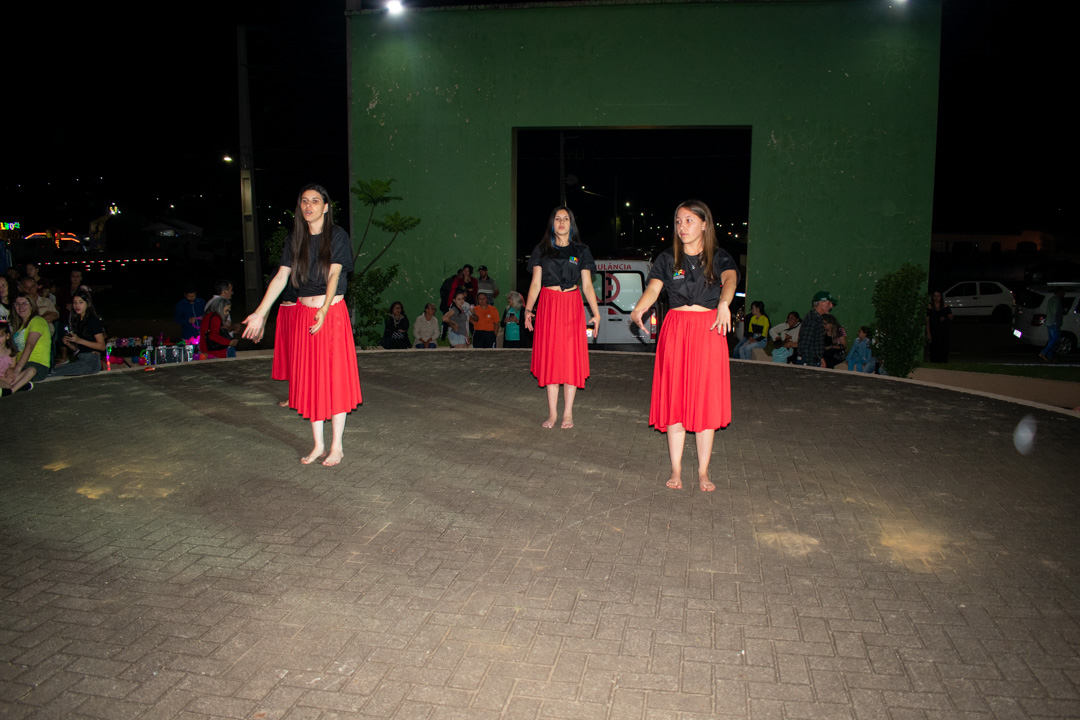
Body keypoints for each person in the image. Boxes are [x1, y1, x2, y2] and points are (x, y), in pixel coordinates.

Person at [242, 183, 363, 467]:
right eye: (304, 201)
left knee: (334, 379)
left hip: (330, 314)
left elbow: (335, 274)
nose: (308, 206)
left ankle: (337, 446)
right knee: (311, 379)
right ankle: (319, 444)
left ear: (325, 207)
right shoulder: (294, 239)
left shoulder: (337, 236)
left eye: (315, 201)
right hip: (303, 316)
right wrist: (261, 312)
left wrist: (323, 308)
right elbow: (282, 277)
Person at [630, 199, 739, 492]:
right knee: (675, 400)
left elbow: (730, 281)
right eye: (678, 221)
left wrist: (725, 304)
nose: (682, 227)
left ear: (705, 223)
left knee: (704, 401)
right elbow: (654, 288)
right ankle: (676, 468)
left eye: (689, 220)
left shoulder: (719, 257)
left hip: (709, 331)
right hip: (676, 332)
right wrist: (638, 309)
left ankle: (703, 471)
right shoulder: (667, 258)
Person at [524, 206, 601, 429]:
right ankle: (553, 414)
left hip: (571, 304)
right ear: (552, 223)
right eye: (557, 219)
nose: (561, 222)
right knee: (551, 358)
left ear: (571, 224)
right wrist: (528, 310)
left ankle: (568, 414)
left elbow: (587, 285)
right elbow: (536, 283)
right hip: (549, 304)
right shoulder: (542, 249)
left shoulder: (581, 250)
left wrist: (596, 314)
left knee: (570, 359)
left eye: (566, 219)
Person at [50, 289, 106, 376]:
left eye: (80, 302)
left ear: (88, 303)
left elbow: (102, 346)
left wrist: (79, 340)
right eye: (75, 302)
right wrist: (69, 344)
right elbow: (81, 350)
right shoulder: (79, 321)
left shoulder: (92, 320)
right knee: (53, 371)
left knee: (53, 373)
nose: (77, 305)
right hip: (82, 359)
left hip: (91, 361)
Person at [4, 291, 52, 394]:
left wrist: (17, 369)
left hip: (36, 365)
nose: (20, 306)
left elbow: (29, 346)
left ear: (31, 305)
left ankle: (9, 389)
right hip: (21, 364)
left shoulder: (37, 321)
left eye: (24, 303)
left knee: (9, 379)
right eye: (17, 304)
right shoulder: (20, 326)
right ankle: (20, 386)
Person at [796, 290, 836, 367]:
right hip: (808, 361)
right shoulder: (812, 319)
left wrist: (820, 358)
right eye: (829, 303)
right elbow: (805, 345)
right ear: (821, 302)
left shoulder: (817, 318)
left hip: (813, 360)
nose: (831, 306)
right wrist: (811, 364)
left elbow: (814, 343)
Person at [926, 290, 953, 363]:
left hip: (943, 331)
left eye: (938, 296)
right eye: (935, 296)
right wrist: (928, 333)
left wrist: (945, 318)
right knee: (934, 349)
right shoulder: (930, 306)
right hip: (933, 331)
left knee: (943, 348)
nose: (936, 298)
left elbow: (951, 317)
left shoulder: (945, 306)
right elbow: (927, 320)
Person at [1040, 288, 1066, 362]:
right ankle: (1044, 352)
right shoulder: (1056, 301)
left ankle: (1050, 356)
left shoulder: (1051, 300)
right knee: (1055, 338)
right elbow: (1055, 312)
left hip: (1049, 322)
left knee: (1052, 339)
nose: (1064, 294)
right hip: (1053, 323)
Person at [438, 268, 462, 340]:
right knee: (445, 321)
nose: (462, 277)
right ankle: (443, 337)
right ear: (458, 274)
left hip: (457, 306)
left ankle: (453, 337)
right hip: (447, 305)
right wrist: (445, 298)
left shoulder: (462, 283)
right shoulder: (449, 281)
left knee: (455, 321)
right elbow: (442, 290)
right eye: (461, 275)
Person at [0, 321, 17, 388]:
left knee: (31, 370)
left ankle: (10, 388)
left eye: (0, 336)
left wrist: (11, 371)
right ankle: (10, 387)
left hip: (8, 378)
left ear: (7, 336)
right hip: (3, 380)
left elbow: (13, 367)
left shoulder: (11, 352)